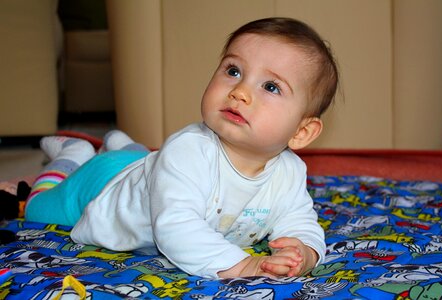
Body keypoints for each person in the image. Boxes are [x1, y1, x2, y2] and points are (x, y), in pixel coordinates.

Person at [25, 17, 339, 279]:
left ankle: (124, 146)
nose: (240, 91)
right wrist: (243, 265)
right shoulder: (189, 151)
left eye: (271, 87)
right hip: (105, 183)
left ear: (301, 132)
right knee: (37, 210)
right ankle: (73, 154)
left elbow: (299, 220)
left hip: (149, 167)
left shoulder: (290, 172)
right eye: (233, 71)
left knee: (146, 162)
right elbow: (176, 228)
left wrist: (303, 250)